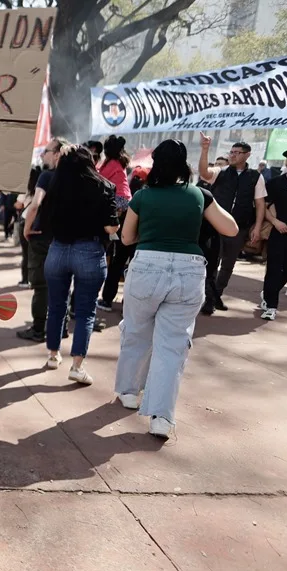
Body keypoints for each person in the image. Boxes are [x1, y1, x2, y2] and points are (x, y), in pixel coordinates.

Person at [116, 139, 238, 438]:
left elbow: (126, 238)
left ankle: (130, 393)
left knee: (135, 332)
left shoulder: (143, 196)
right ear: (185, 163)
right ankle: (161, 417)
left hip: (146, 267)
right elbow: (231, 228)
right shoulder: (200, 195)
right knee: (172, 347)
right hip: (189, 270)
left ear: (156, 163)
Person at [40, 145, 118, 385]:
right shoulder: (104, 186)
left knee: (55, 307)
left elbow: (44, 218)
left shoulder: (54, 184)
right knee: (85, 312)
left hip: (58, 250)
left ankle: (53, 355)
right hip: (89, 252)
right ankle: (77, 365)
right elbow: (111, 227)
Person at [198, 136, 267, 311]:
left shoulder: (255, 177)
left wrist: (257, 228)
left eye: (238, 153)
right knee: (212, 262)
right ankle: (209, 300)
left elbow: (260, 204)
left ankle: (216, 295)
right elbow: (204, 173)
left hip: (239, 228)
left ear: (247, 155)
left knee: (228, 265)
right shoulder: (221, 172)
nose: (233, 155)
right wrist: (205, 149)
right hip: (216, 226)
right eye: (232, 152)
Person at [19, 137, 66, 342]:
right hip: (65, 239)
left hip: (42, 237)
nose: (43, 154)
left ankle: (39, 329)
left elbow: (35, 204)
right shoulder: (76, 177)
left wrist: (27, 228)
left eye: (46, 151)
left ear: (57, 153)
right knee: (62, 285)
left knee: (41, 286)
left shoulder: (47, 176)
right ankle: (60, 328)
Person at [96, 136, 133, 312]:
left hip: (120, 206)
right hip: (125, 208)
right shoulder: (117, 163)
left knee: (114, 257)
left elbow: (98, 180)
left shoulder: (111, 165)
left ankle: (106, 298)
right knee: (120, 258)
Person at [260, 147, 287, 321]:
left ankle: (267, 292)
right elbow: (262, 207)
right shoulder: (275, 183)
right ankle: (271, 306)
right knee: (273, 268)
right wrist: (275, 221)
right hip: (278, 233)